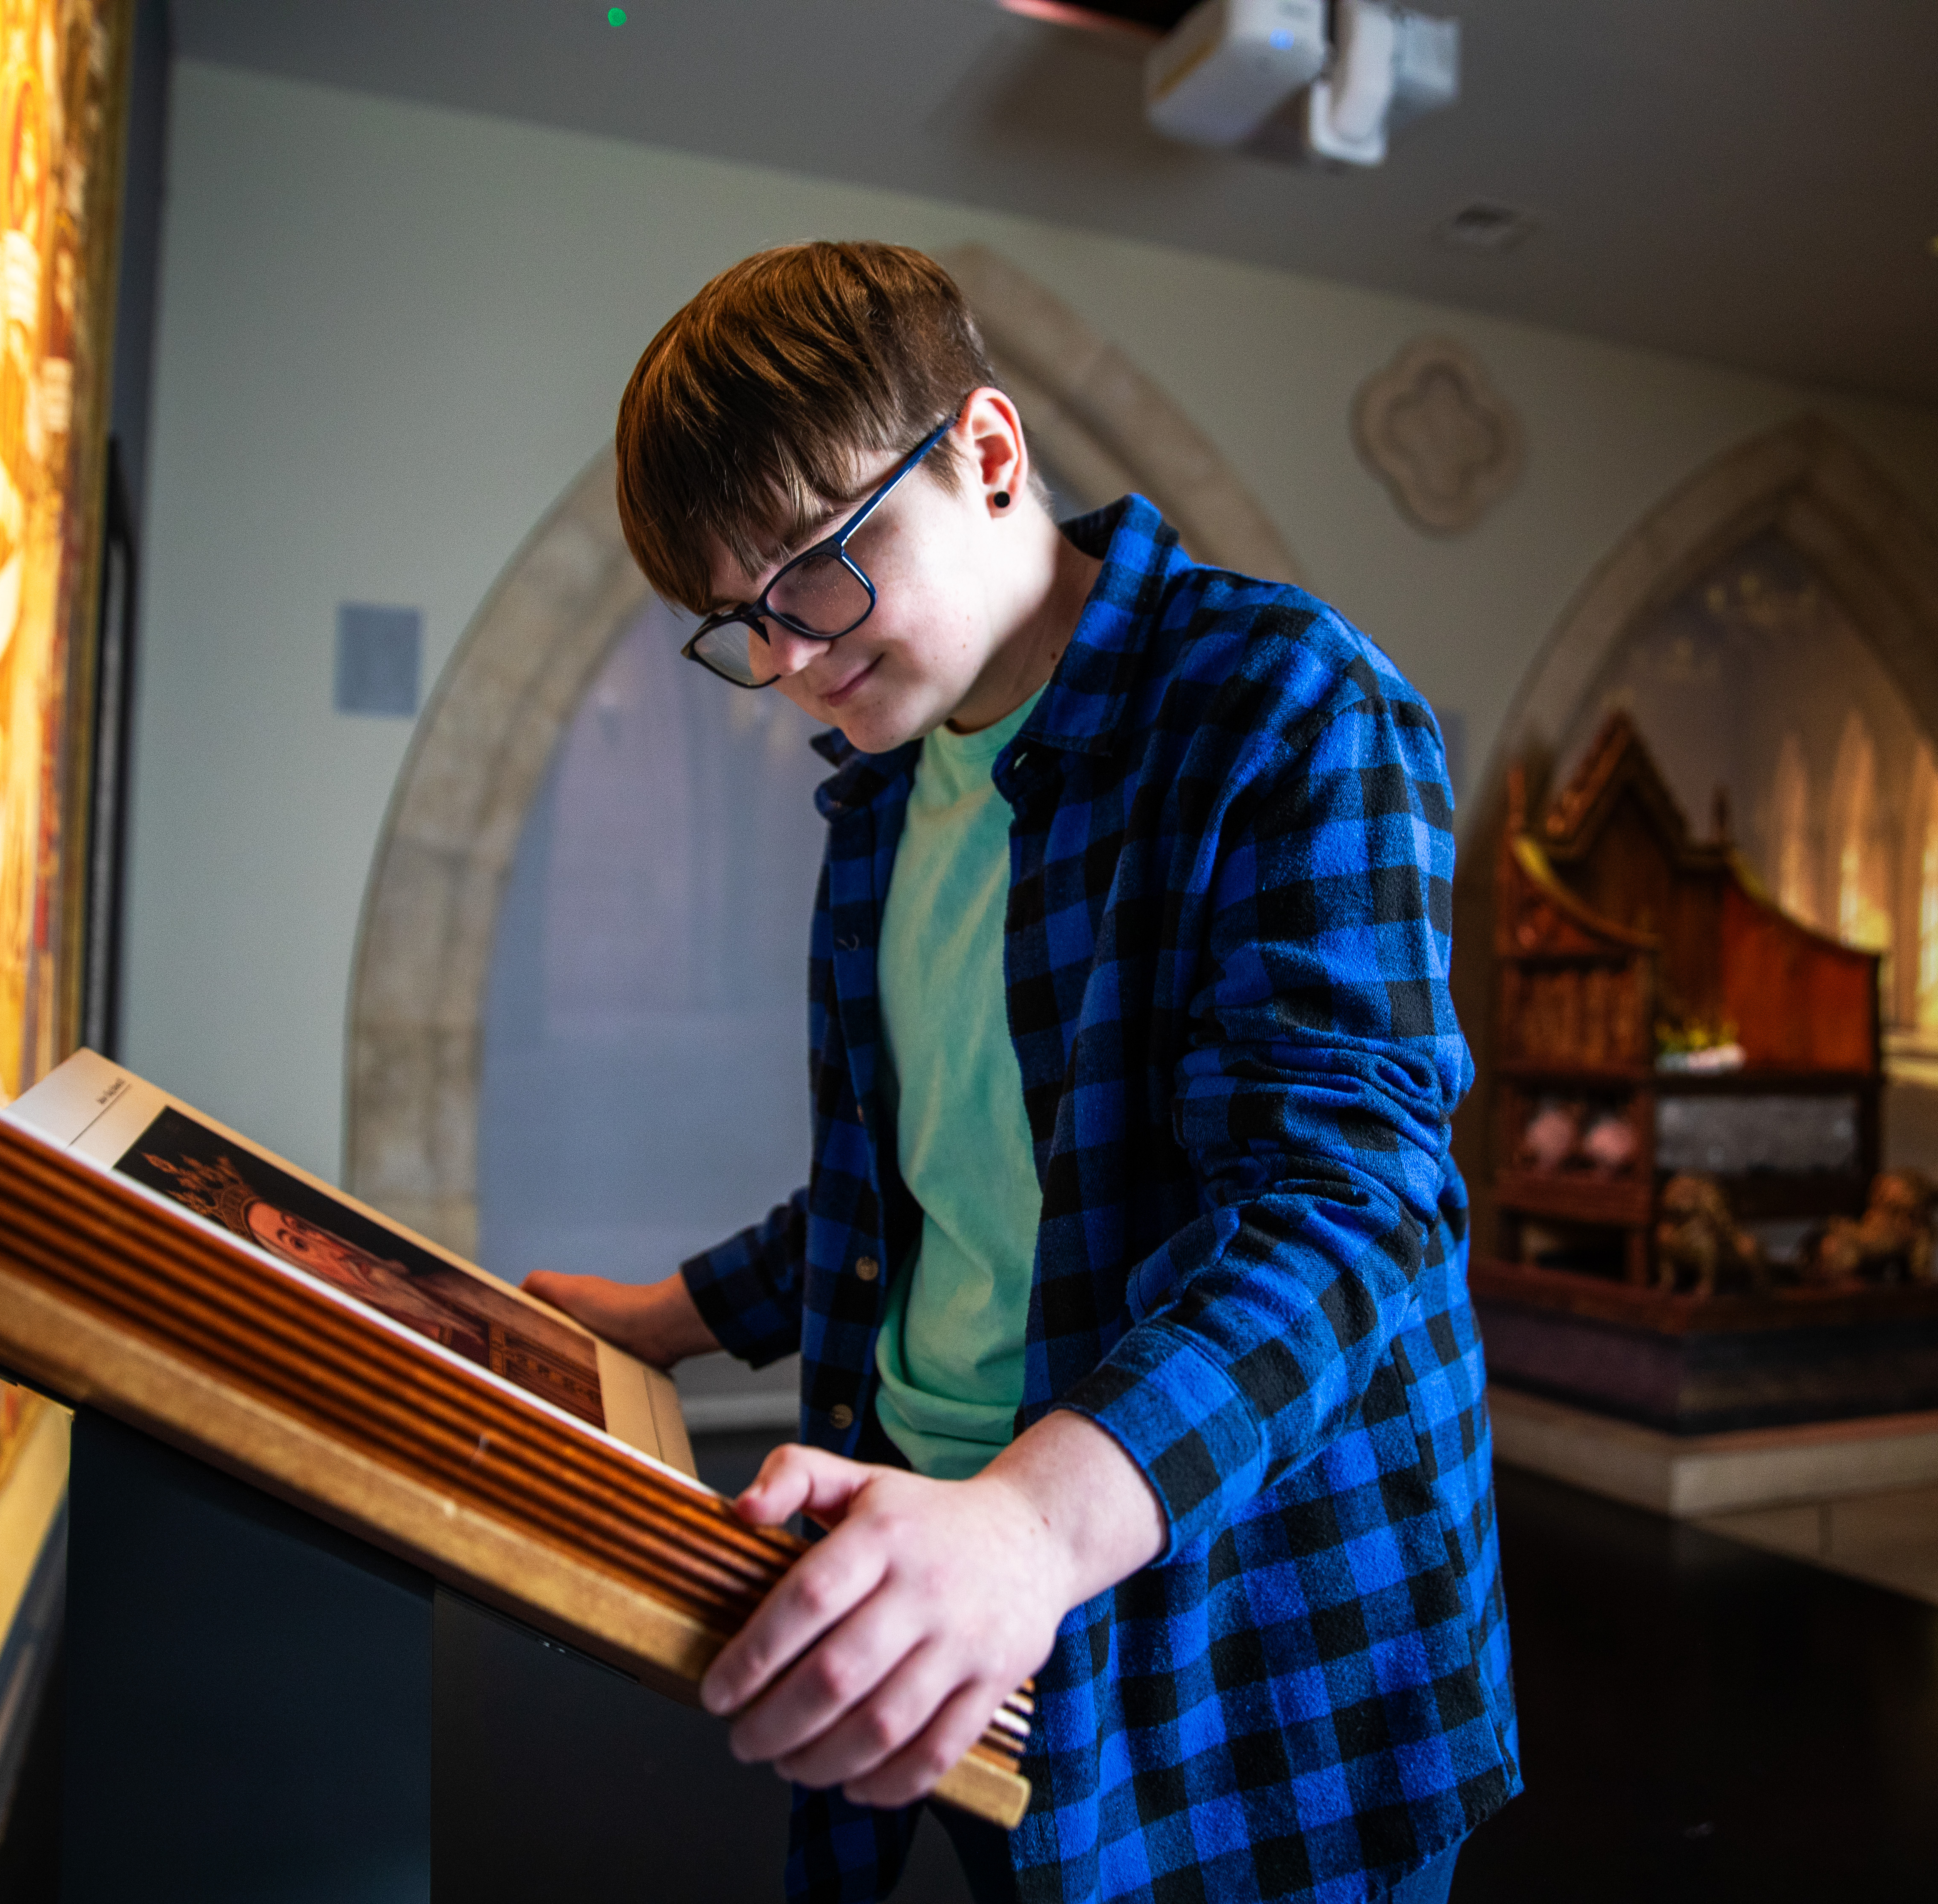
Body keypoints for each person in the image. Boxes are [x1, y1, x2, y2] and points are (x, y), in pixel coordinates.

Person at [527, 242, 1513, 1904]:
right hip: (954, 1555)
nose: (785, 661)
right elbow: (926, 1181)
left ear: (987, 454)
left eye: (820, 569)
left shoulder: (1286, 701)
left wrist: (1033, 1531)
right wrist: (664, 1318)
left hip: (1235, 1619)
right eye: (741, 620)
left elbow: (1352, 1211)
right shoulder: (886, 794)